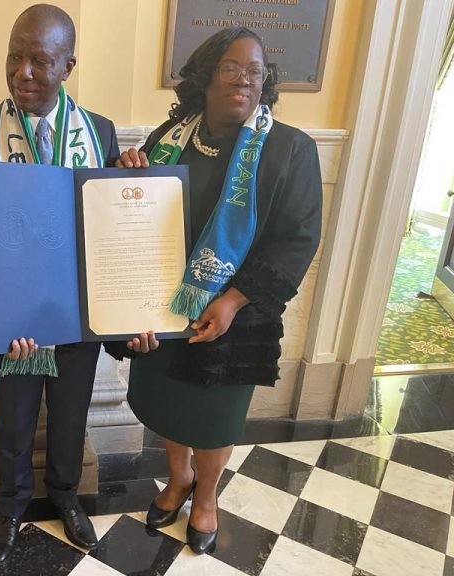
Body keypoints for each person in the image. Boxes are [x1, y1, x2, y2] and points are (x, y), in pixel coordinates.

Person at [0, 4, 157, 567]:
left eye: (40, 61)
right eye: (15, 57)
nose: (23, 73)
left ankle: (65, 496)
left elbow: (112, 227)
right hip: (17, 319)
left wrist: (132, 186)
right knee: (14, 416)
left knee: (70, 412)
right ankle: (12, 507)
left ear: (68, 66)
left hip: (75, 315)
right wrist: (1, 310)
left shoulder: (101, 133)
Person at [115, 27, 322, 554]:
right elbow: (139, 209)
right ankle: (178, 478)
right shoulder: (172, 134)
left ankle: (205, 495)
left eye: (256, 72)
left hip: (237, 314)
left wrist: (231, 300)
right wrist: (126, 174)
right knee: (169, 405)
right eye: (232, 68)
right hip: (167, 303)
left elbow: (298, 238)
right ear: (207, 76)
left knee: (213, 416)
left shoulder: (289, 149)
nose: (245, 80)